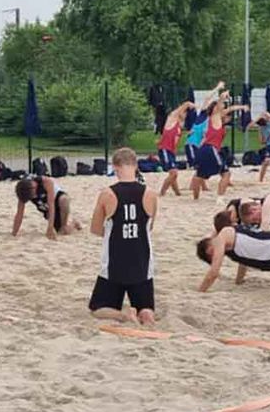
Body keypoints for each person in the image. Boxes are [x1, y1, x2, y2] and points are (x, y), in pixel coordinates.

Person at [87, 147, 159, 325]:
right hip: (142, 261)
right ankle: (144, 315)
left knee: (97, 309)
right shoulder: (150, 194)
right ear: (135, 166)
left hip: (115, 262)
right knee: (147, 309)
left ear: (116, 167)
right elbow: (149, 228)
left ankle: (123, 316)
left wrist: (114, 233)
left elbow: (95, 229)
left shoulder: (107, 194)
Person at [12, 174, 81, 239]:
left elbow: (51, 205)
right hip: (44, 205)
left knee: (63, 228)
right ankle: (72, 225)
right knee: (61, 231)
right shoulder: (22, 189)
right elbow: (19, 213)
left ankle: (71, 224)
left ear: (34, 188)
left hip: (56, 198)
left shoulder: (46, 182)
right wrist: (14, 233)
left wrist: (50, 228)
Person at [156, 99, 193, 197]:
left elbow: (173, 138)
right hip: (165, 150)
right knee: (174, 173)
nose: (185, 115)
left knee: (173, 174)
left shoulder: (179, 126)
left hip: (170, 151)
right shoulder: (171, 119)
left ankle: (177, 192)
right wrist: (187, 104)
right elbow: (177, 111)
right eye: (184, 113)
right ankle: (162, 193)